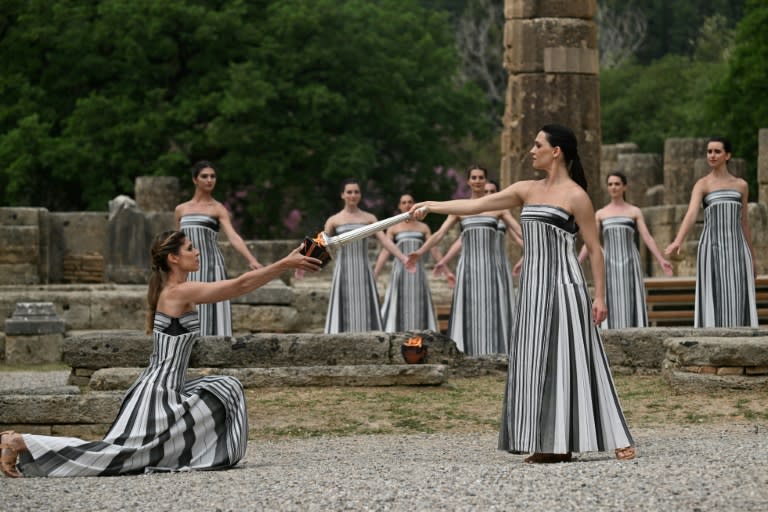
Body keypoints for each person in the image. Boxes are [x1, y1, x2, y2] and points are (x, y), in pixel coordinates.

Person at [0, 231, 322, 478]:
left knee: (226, 388)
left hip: (169, 389)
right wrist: (284, 263)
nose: (197, 253)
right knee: (108, 457)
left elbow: (235, 286)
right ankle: (18, 442)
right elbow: (237, 286)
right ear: (173, 259)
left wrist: (289, 259)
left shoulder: (176, 290)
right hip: (156, 394)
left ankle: (190, 455)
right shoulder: (176, 292)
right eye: (190, 249)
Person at [410, 124, 635, 463]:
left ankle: (614, 436)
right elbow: (476, 205)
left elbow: (595, 249)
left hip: (564, 285)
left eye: (537, 144)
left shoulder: (576, 196)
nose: (531, 150)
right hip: (531, 289)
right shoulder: (525, 190)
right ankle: (548, 443)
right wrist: (433, 204)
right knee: (534, 363)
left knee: (580, 358)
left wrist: (600, 297)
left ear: (556, 151)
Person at [407, 166, 521, 356]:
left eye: (481, 177)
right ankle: (467, 352)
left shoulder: (498, 208)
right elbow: (439, 234)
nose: (477, 181)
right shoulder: (459, 209)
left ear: (485, 181)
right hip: (468, 267)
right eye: (473, 178)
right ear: (468, 182)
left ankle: (499, 352)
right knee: (468, 308)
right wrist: (420, 252)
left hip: (492, 267)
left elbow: (518, 231)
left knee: (494, 308)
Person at [664, 137, 758, 327]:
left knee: (737, 294)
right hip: (711, 248)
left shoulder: (741, 185)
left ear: (727, 155)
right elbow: (691, 214)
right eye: (709, 151)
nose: (712, 155)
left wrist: (752, 257)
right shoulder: (703, 184)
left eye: (717, 151)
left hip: (737, 248)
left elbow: (745, 222)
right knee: (714, 293)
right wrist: (677, 241)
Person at [175, 160, 262, 336]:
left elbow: (233, 237)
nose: (209, 180)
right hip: (188, 267)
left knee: (213, 307)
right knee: (188, 307)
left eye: (213, 176)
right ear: (195, 180)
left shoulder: (218, 208)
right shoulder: (181, 209)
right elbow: (176, 241)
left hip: (212, 266)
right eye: (204, 176)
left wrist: (251, 260)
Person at [577, 172, 673, 328]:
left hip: (630, 262)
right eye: (610, 184)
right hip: (608, 263)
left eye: (617, 184)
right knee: (611, 298)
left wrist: (661, 260)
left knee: (630, 298)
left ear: (624, 187)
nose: (613, 187)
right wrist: (577, 262)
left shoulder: (634, 211)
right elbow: (590, 242)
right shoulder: (601, 214)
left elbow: (647, 237)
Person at [324, 178, 411, 333]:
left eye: (356, 192)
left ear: (360, 195)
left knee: (364, 306)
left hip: (364, 270)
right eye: (349, 192)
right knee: (344, 307)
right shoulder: (334, 220)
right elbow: (321, 245)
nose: (353, 195)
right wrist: (303, 264)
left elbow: (385, 240)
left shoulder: (369, 218)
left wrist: (403, 258)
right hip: (343, 271)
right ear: (342, 195)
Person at [373, 193, 454, 331]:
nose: (407, 205)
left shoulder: (423, 228)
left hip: (418, 273)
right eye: (403, 202)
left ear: (414, 204)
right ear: (399, 206)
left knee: (419, 303)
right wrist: (375, 275)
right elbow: (386, 251)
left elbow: (433, 249)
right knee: (398, 302)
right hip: (400, 272)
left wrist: (447, 272)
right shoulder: (393, 228)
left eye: (410, 202)